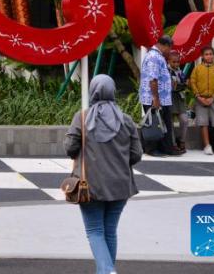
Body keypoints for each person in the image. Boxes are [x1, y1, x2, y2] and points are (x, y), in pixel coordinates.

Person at [65, 74, 142, 274]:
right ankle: (107, 270)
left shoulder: (81, 118)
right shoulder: (126, 120)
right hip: (120, 185)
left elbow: (70, 148)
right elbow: (136, 155)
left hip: (90, 186)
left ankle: (107, 271)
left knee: (94, 231)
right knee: (110, 231)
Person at [138, 35, 182, 156]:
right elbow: (153, 79)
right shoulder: (153, 57)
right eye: (170, 48)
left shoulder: (158, 56)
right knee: (154, 123)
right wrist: (155, 98)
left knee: (164, 123)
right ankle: (151, 149)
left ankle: (167, 148)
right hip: (154, 98)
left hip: (163, 98)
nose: (170, 51)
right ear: (165, 46)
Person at [168, 51, 189, 151]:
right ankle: (173, 143)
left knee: (184, 120)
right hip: (170, 98)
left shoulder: (180, 71)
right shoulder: (167, 71)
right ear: (169, 61)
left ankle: (182, 141)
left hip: (180, 98)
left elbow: (181, 84)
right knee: (170, 121)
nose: (176, 64)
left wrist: (183, 84)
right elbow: (173, 87)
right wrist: (182, 85)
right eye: (174, 62)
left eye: (178, 62)